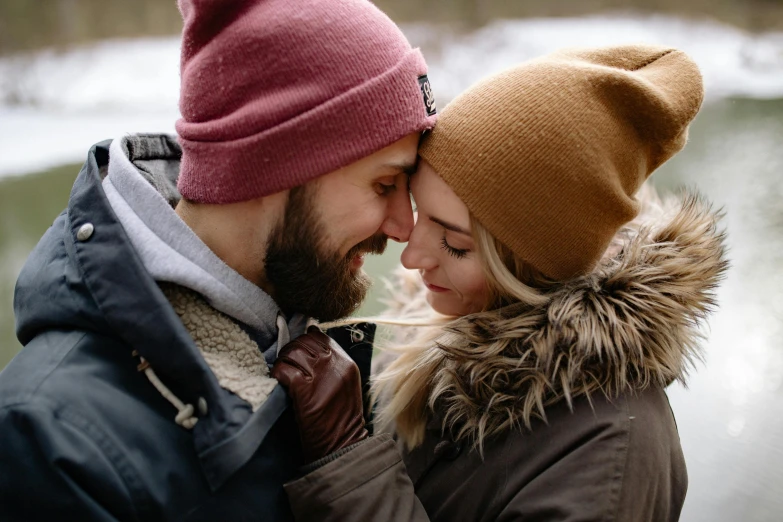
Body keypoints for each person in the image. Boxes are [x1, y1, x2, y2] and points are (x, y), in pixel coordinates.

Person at [0, 0, 438, 519]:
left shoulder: (296, 330)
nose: (403, 227)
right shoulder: (53, 444)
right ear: (270, 166)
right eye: (384, 185)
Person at [271, 45, 729, 521]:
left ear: (533, 263)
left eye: (455, 243)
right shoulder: (449, 319)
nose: (409, 257)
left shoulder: (613, 458)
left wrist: (347, 463)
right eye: (418, 214)